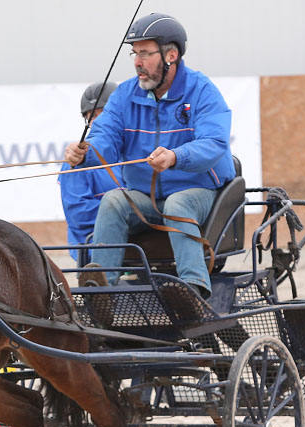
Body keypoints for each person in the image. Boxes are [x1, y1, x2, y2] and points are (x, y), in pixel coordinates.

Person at [64, 12, 235, 302]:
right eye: (135, 53)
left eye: (145, 53)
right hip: (148, 196)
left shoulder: (202, 90)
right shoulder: (125, 95)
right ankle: (101, 288)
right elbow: (105, 136)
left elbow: (214, 142)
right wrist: (86, 153)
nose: (137, 62)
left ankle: (193, 289)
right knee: (114, 200)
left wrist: (176, 156)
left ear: (171, 54)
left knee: (178, 203)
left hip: (200, 192)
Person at [58, 81, 123, 261]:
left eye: (104, 114)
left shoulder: (133, 153)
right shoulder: (78, 159)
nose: (97, 120)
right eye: (92, 115)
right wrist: (122, 216)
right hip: (96, 245)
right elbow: (79, 213)